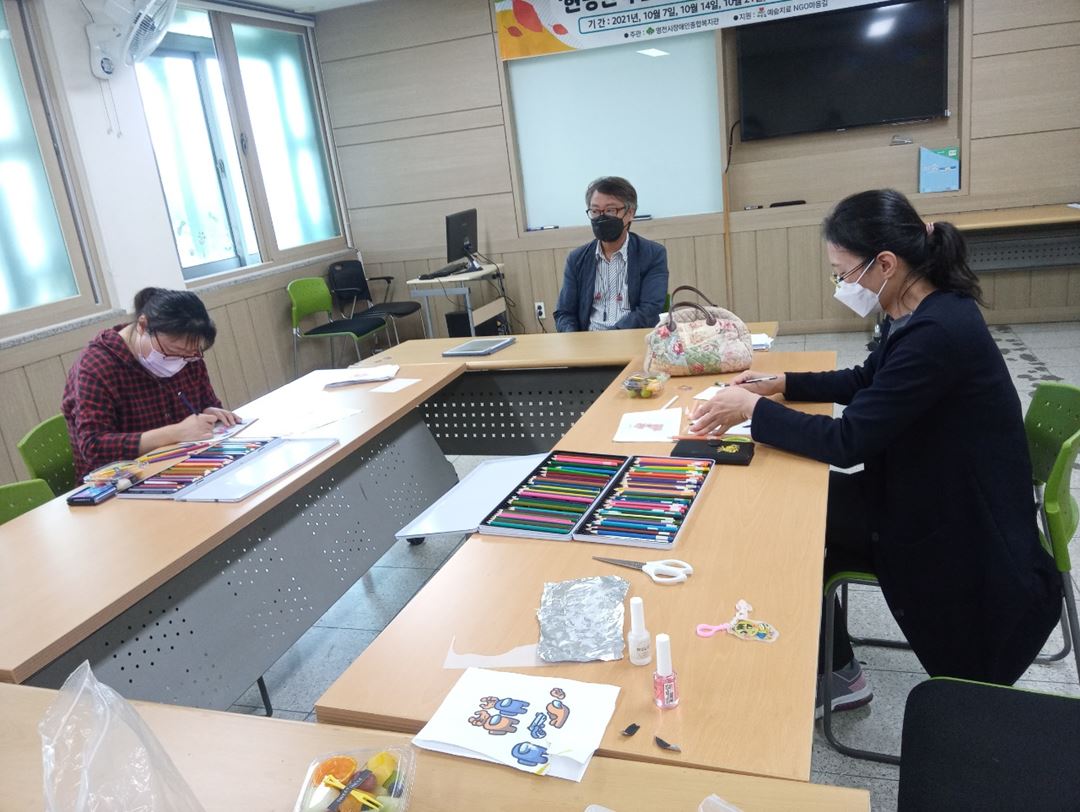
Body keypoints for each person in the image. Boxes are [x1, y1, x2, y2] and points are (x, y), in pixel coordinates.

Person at [689, 189, 1061, 713]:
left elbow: (849, 441)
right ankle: (835, 664)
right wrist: (781, 384)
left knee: (788, 517)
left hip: (952, 523)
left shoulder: (938, 332)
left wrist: (752, 411)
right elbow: (869, 378)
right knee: (796, 506)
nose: (844, 285)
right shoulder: (916, 308)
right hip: (926, 487)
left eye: (845, 273)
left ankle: (836, 674)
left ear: (885, 264)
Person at [62, 287, 239, 480]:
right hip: (121, 484)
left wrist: (209, 412)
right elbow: (94, 447)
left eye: (191, 354)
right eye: (172, 352)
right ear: (142, 325)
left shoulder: (188, 354)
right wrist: (174, 433)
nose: (180, 361)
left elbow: (205, 403)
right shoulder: (96, 366)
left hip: (185, 468)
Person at [554, 176, 668, 332]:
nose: (601, 217)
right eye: (595, 211)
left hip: (631, 338)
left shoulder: (652, 254)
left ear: (630, 213)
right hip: (588, 340)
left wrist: (612, 337)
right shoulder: (576, 259)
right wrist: (574, 338)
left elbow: (650, 310)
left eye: (610, 210)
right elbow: (564, 313)